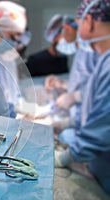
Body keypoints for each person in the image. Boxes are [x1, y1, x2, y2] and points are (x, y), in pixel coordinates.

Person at [55, 0, 110, 196]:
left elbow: (103, 128)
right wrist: (68, 122)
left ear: (89, 20)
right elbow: (97, 106)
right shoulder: (104, 58)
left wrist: (65, 158)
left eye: (79, 25)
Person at [45, 16, 99, 132]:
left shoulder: (95, 50)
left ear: (68, 29)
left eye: (57, 42)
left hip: (95, 123)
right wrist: (62, 83)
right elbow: (83, 82)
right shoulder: (80, 51)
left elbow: (103, 89)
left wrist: (75, 96)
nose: (59, 47)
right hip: (81, 120)